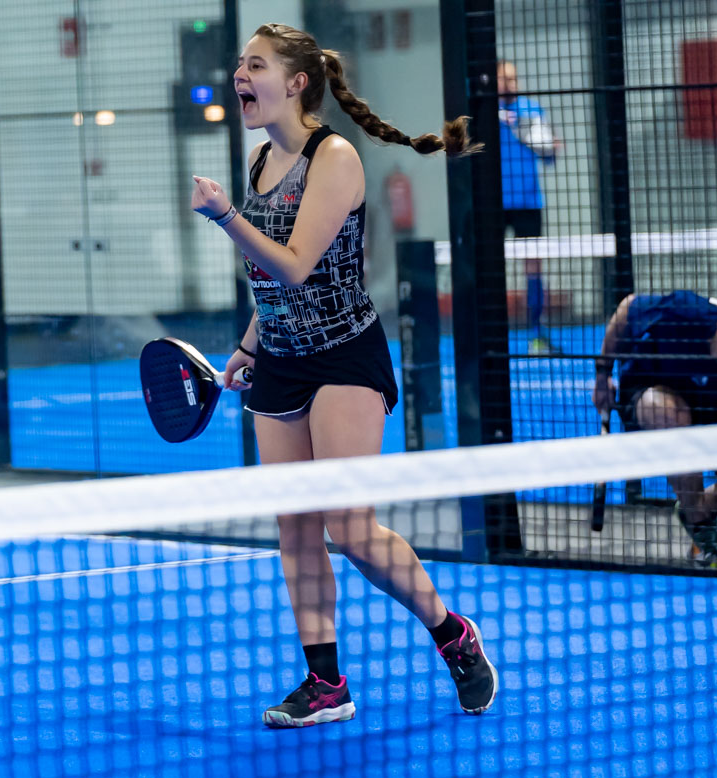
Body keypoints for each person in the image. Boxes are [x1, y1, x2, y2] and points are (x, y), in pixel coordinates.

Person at [191, 23, 497, 726]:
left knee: (351, 529)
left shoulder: (335, 158)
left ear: (296, 83)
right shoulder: (259, 158)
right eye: (240, 64)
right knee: (296, 529)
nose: (241, 75)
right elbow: (270, 283)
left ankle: (452, 633)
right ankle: (325, 682)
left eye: (255, 65)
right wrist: (248, 346)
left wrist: (225, 215)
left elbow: (296, 264)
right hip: (280, 360)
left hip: (344, 357)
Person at [592, 287, 717, 567]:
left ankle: (698, 506)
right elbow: (627, 307)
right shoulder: (683, 311)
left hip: (716, 410)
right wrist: (603, 375)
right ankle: (702, 529)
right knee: (671, 415)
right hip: (652, 396)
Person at [497, 60, 562, 355]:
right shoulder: (482, 112)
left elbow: (549, 155)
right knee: (489, 267)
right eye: (504, 78)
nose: (509, 83)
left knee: (533, 268)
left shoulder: (532, 111)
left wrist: (548, 145)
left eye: (513, 78)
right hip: (494, 205)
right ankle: (491, 333)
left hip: (528, 202)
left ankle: (537, 334)